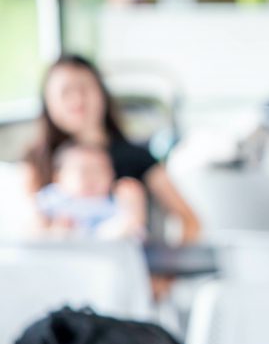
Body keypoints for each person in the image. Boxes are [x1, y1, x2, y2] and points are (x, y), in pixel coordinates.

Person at [22, 54, 200, 245]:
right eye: (65, 92)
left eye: (84, 88)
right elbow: (31, 229)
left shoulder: (138, 157)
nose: (77, 99)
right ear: (48, 102)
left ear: (102, 93)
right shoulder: (36, 161)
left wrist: (165, 272)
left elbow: (190, 222)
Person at [33, 142, 147, 240]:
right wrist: (50, 228)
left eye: (99, 170)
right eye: (84, 171)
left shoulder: (114, 202)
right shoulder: (53, 198)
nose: (92, 178)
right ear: (58, 177)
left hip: (107, 246)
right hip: (66, 249)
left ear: (112, 176)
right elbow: (32, 223)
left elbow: (137, 233)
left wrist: (133, 206)